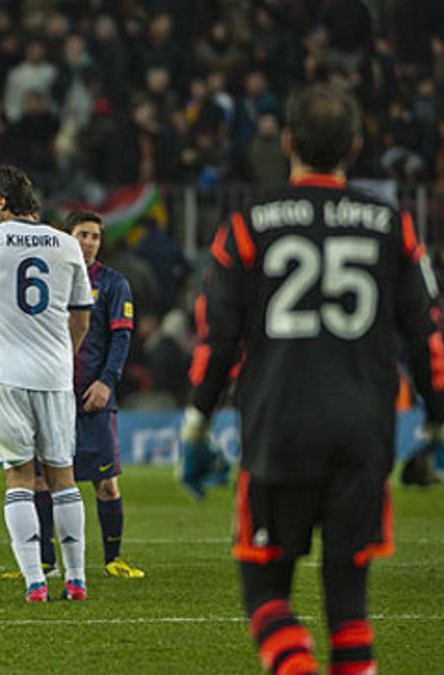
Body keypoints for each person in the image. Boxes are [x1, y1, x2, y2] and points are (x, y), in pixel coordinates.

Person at [179, 83, 444, 674]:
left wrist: (197, 424)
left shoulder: (248, 224)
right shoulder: (392, 225)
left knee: (264, 587)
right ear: (355, 144)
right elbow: (427, 334)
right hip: (363, 433)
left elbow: (216, 337)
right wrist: (438, 419)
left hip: (279, 428)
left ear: (289, 141)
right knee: (349, 604)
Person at [0, 165, 92, 603]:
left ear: (2, 203)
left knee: (19, 476)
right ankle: (76, 579)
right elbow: (81, 316)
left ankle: (35, 582)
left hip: (6, 373)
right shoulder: (67, 244)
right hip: (54, 374)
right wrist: (64, 355)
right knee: (63, 477)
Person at [64, 210, 145, 580]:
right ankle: (45, 563)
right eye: (82, 234)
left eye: (95, 236)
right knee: (40, 479)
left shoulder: (113, 284)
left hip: (94, 395)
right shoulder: (53, 279)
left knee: (107, 482)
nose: (89, 242)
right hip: (55, 394)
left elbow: (121, 338)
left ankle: (113, 558)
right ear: (68, 237)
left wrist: (106, 382)